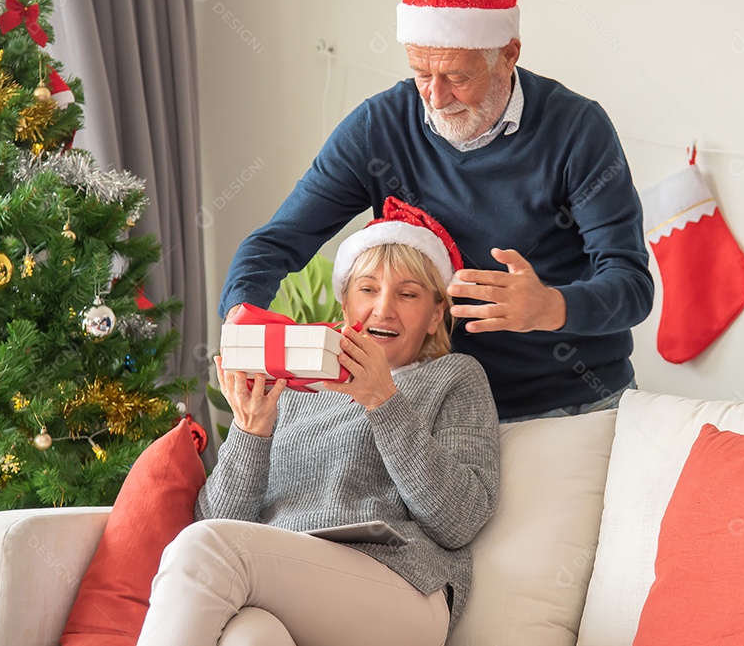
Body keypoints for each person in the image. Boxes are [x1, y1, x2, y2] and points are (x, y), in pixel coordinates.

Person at [219, 0, 653, 421]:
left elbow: (631, 287)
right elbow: (277, 242)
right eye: (422, 73)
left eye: (458, 77)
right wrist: (241, 323)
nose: (435, 97)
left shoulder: (576, 128)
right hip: (434, 410)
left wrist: (551, 306)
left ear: (508, 55)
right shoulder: (377, 128)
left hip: (573, 404)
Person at [138, 198, 500, 645]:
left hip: (403, 587)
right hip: (286, 584)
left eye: (408, 294)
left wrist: (383, 402)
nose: (384, 308)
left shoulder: (454, 377)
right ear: (346, 305)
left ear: (434, 315)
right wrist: (251, 431)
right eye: (367, 289)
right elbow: (217, 520)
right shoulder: (292, 388)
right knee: (250, 637)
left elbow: (459, 520)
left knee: (204, 549)